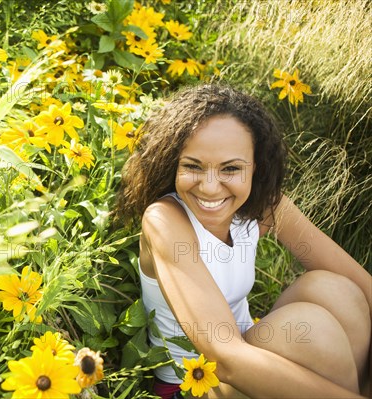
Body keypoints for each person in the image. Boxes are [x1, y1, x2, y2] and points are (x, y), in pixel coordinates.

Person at [116, 84, 371, 398]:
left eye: (231, 169)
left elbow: (361, 283)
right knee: (310, 329)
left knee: (337, 289)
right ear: (174, 164)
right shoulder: (165, 220)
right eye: (193, 166)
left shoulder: (264, 206)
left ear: (256, 168)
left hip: (251, 354)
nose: (210, 188)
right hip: (195, 383)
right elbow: (226, 358)